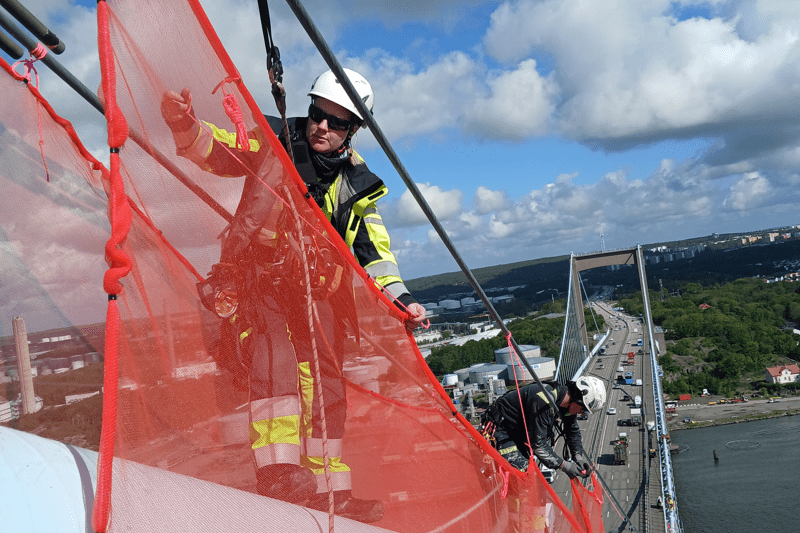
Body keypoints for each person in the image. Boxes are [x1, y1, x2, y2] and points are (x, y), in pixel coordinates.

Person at [161, 68, 426, 523]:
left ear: (353, 132)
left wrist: (401, 299)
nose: (322, 126)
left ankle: (331, 491)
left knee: (326, 383)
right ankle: (278, 471)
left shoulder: (356, 186)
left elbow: (374, 252)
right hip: (260, 283)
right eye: (318, 114)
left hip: (315, 292)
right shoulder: (276, 141)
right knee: (276, 358)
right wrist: (184, 124)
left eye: (337, 122)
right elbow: (220, 149)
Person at [481, 376, 606, 479]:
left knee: (527, 476)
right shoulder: (544, 401)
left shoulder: (565, 404)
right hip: (501, 432)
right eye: (583, 409)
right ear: (577, 399)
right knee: (524, 476)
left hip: (516, 433)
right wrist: (565, 466)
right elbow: (538, 445)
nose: (583, 414)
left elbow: (572, 430)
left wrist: (578, 457)